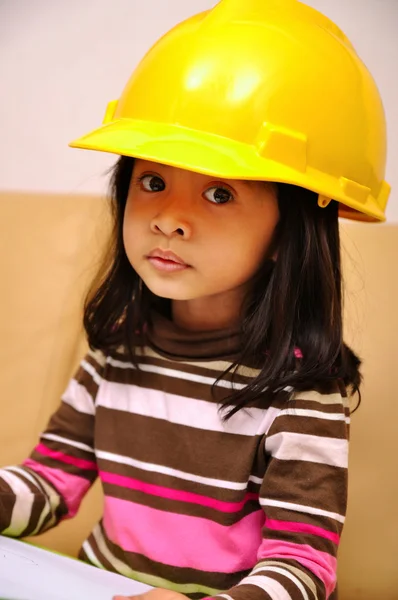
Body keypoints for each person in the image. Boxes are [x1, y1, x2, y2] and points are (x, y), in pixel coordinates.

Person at [0, 1, 390, 599]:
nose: (170, 220)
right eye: (152, 182)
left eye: (217, 192)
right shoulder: (116, 350)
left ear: (289, 235)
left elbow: (303, 567)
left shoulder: (301, 394)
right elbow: (49, 483)